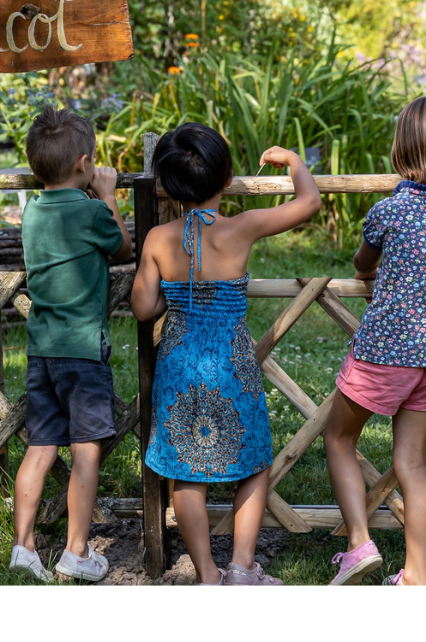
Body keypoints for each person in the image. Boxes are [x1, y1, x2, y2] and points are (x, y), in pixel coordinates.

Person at [133, 124, 321, 586]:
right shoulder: (243, 226)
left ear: (169, 184)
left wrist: (174, 296)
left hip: (178, 360)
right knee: (253, 461)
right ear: (226, 178)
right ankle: (241, 567)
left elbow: (141, 306)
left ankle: (208, 576)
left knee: (186, 473)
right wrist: (294, 161)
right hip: (231, 361)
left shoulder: (159, 238)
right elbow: (309, 203)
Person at [325, 97, 426, 586]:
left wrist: (363, 269)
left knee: (338, 437)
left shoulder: (388, 211)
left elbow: (363, 262)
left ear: (402, 147)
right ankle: (416, 575)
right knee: (411, 462)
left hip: (384, 352)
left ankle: (359, 544)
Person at [8, 107, 133, 584]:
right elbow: (122, 248)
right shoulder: (89, 209)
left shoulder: (33, 210)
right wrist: (108, 195)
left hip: (41, 348)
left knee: (40, 447)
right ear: (85, 164)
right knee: (85, 453)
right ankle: (76, 551)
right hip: (83, 349)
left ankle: (24, 547)